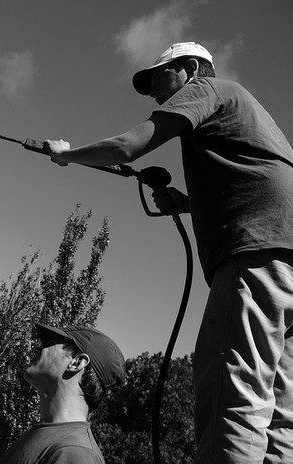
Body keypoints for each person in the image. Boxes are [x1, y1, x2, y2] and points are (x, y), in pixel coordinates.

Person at [46, 42, 293, 464]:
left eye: (159, 79)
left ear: (191, 68)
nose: (155, 94)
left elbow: (127, 147)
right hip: (285, 260)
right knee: (281, 413)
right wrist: (184, 201)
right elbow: (261, 181)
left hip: (255, 253)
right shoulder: (248, 111)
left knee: (232, 397)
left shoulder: (208, 90)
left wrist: (66, 155)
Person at [0, 323, 125, 464]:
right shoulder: (45, 434)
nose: (36, 348)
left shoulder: (76, 453)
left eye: (51, 343)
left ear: (77, 363)